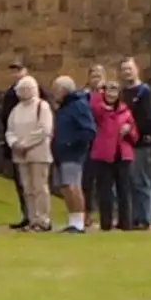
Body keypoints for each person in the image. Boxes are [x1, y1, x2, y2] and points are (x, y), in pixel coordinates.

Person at [88, 66, 148, 232]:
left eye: (114, 92)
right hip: (103, 154)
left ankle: (125, 223)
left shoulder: (125, 111)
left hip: (123, 154)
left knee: (124, 190)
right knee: (104, 190)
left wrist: (129, 130)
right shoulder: (98, 110)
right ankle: (106, 223)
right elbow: (93, 106)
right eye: (108, 92)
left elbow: (135, 134)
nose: (111, 95)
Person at [3, 72, 57, 231]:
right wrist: (15, 144)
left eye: (27, 88)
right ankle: (32, 218)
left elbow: (44, 129)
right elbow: (9, 130)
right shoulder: (16, 110)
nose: (24, 92)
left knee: (40, 187)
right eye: (21, 89)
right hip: (20, 154)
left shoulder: (42, 106)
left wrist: (26, 144)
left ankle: (43, 219)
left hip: (38, 153)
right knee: (27, 188)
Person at [51, 71, 99, 234]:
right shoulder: (63, 108)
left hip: (73, 153)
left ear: (64, 90)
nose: (53, 93)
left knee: (73, 186)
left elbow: (89, 130)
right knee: (65, 187)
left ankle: (79, 222)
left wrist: (72, 143)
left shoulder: (78, 105)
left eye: (56, 89)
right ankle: (73, 219)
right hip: (61, 153)